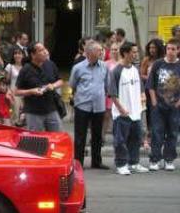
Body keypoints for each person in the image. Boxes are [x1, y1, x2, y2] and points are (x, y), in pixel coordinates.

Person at [69, 41, 110, 169]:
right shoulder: (78, 67)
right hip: (82, 105)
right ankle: (78, 162)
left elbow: (107, 85)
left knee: (97, 135)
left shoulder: (104, 66)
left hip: (99, 106)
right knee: (80, 135)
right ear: (90, 52)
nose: (102, 52)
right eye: (99, 50)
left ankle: (96, 161)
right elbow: (72, 84)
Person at [109, 43, 149, 175]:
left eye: (136, 52)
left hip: (136, 112)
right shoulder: (116, 70)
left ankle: (134, 162)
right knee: (120, 140)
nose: (136, 54)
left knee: (136, 139)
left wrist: (143, 95)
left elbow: (140, 86)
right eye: (133, 52)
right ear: (125, 53)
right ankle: (121, 164)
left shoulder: (135, 69)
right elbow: (112, 93)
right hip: (122, 113)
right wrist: (120, 109)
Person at [146, 38, 180, 171]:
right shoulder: (158, 64)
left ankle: (169, 159)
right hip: (158, 106)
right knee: (157, 132)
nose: (170, 52)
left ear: (178, 50)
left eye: (173, 49)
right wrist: (154, 101)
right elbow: (151, 85)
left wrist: (178, 102)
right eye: (168, 49)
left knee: (172, 133)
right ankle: (155, 159)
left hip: (175, 107)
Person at [15, 43, 63, 132]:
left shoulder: (50, 64)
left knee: (56, 136)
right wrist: (31, 91)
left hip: (51, 109)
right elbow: (16, 92)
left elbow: (60, 81)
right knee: (36, 140)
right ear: (33, 55)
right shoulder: (26, 69)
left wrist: (53, 85)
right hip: (33, 112)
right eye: (41, 50)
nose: (45, 52)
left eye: (44, 49)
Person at [5, 47, 24, 126]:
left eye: (19, 53)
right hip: (14, 93)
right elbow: (6, 82)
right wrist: (8, 92)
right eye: (15, 53)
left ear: (23, 55)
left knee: (23, 115)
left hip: (24, 93)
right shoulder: (10, 67)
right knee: (15, 114)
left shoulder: (26, 66)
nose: (17, 55)